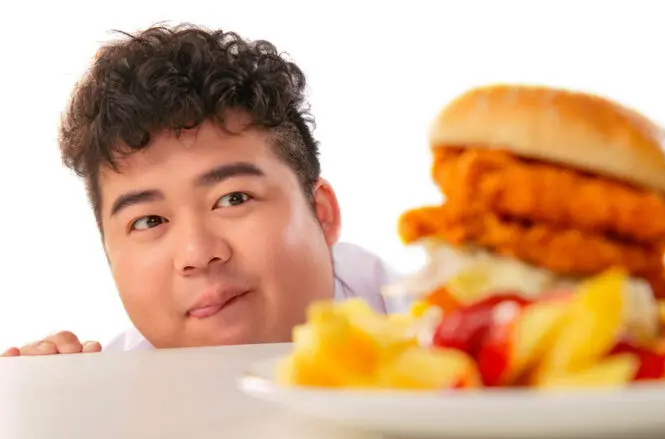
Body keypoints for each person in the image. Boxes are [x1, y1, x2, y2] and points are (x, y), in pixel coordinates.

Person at [2, 24, 409, 357]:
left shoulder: (430, 336)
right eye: (149, 221)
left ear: (322, 214)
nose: (197, 254)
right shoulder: (104, 390)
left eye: (233, 199)